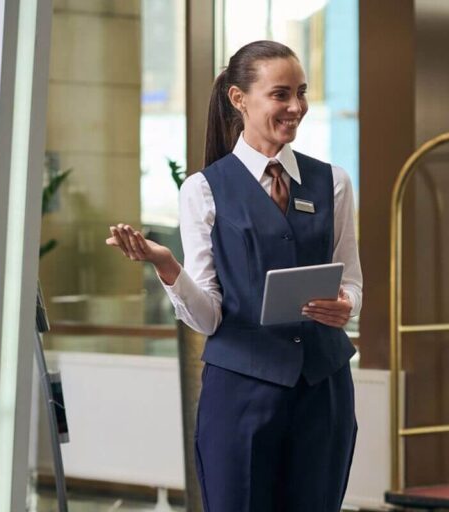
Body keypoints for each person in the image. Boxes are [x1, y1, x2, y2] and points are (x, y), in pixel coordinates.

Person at [106, 40, 361, 511]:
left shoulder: (334, 182)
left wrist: (346, 304)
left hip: (323, 389)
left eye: (301, 93)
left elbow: (353, 281)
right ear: (239, 99)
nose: (296, 107)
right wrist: (168, 266)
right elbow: (207, 318)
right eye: (281, 94)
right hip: (242, 392)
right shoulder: (204, 190)